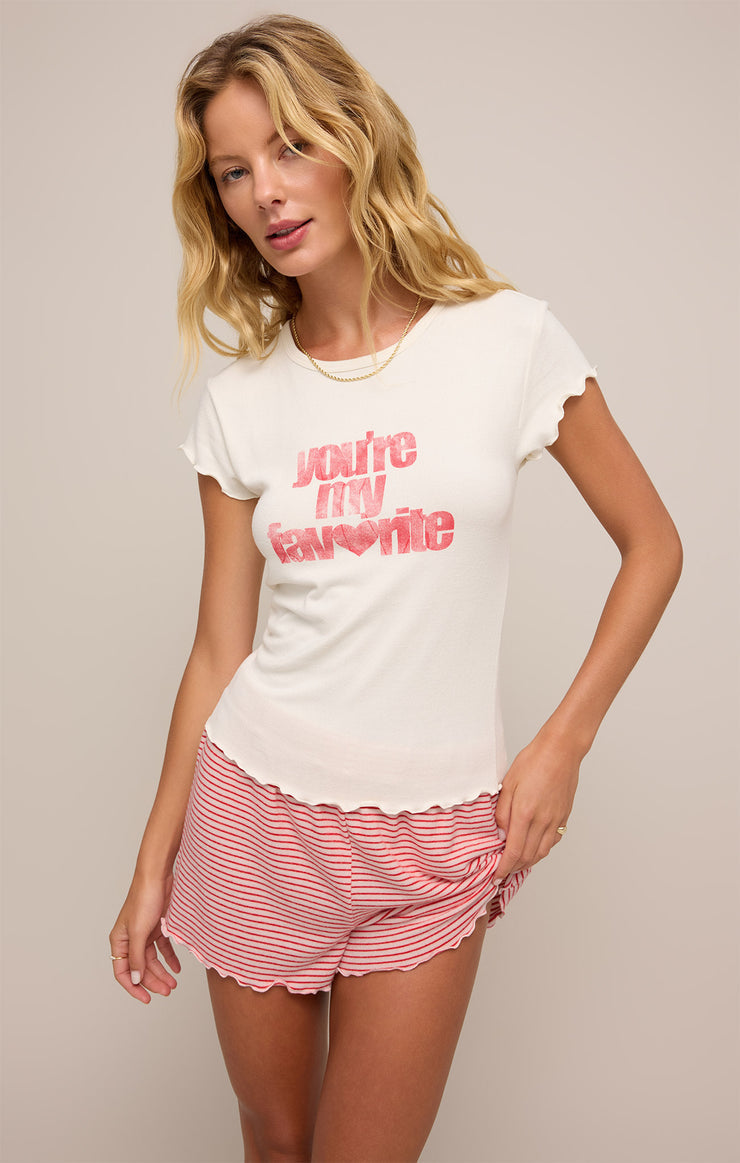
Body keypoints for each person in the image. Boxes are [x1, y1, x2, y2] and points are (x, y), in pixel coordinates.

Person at [109, 13, 682, 1162]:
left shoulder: (506, 341)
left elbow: (652, 545)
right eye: (232, 171)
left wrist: (559, 744)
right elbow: (218, 649)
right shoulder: (240, 403)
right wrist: (152, 860)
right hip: (254, 808)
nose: (265, 192)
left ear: (353, 138)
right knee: (274, 1140)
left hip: (437, 832)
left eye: (289, 146)